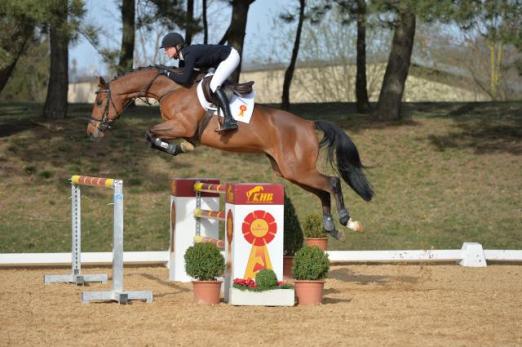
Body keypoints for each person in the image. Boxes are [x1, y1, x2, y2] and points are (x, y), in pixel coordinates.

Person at [159, 32, 239, 132]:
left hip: (230, 57)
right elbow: (184, 78)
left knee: (214, 85)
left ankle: (229, 120)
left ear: (178, 46)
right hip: (219, 62)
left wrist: (167, 73)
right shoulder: (183, 59)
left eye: (167, 48)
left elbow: (184, 79)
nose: (165, 51)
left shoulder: (189, 54)